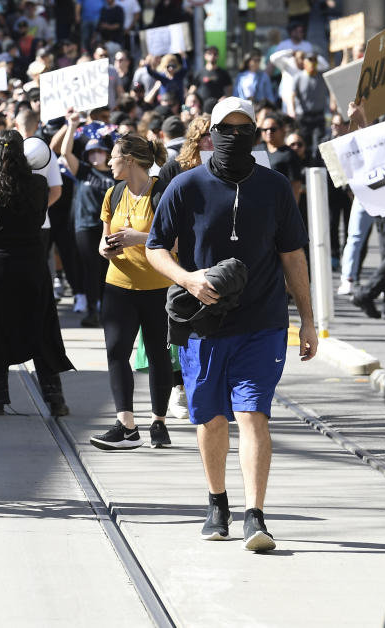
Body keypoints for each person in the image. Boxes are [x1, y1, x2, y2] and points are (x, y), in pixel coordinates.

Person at [145, 97, 315, 551]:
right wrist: (188, 278)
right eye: (228, 129)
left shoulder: (276, 187)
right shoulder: (186, 186)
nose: (236, 138)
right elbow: (156, 247)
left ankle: (255, 515)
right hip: (203, 323)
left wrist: (309, 321)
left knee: (253, 413)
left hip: (263, 322)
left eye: (246, 130)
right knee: (211, 418)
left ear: (256, 135)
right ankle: (217, 501)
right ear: (211, 133)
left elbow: (293, 255)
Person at [0, 129, 73, 415]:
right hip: (32, 264)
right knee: (40, 328)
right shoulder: (38, 184)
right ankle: (55, 397)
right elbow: (38, 221)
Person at [88, 134, 175, 451]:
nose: (108, 162)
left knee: (157, 354)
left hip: (157, 287)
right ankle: (126, 425)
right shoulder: (113, 193)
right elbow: (103, 241)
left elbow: (175, 241)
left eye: (113, 157)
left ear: (131, 160)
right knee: (116, 352)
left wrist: (137, 238)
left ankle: (158, 422)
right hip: (118, 286)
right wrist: (107, 249)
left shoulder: (161, 193)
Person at [54, 117, 114, 327]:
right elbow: (64, 153)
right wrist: (71, 125)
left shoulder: (117, 174)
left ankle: (108, 311)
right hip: (86, 227)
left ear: (107, 153)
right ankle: (92, 311)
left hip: (110, 228)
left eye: (99, 150)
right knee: (91, 269)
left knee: (108, 271)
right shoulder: (84, 171)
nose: (96, 154)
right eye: (91, 152)